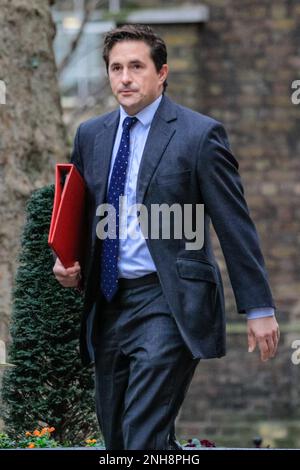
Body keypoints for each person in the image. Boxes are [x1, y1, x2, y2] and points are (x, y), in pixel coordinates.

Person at [53, 24, 279, 450]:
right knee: (120, 442)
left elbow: (235, 224)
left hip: (169, 301)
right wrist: (69, 264)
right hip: (108, 301)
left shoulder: (199, 135)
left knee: (141, 440)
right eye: (116, 68)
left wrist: (258, 307)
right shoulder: (90, 135)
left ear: (162, 73)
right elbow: (83, 217)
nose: (125, 78)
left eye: (136, 66)